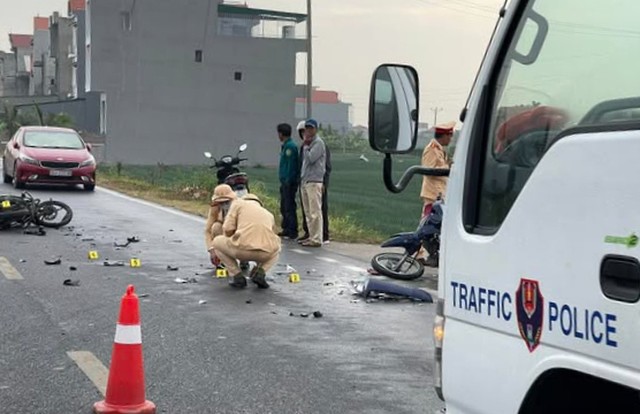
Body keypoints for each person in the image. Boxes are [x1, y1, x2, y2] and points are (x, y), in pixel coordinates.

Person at [212, 193, 281, 289]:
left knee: (216, 242)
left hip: (241, 250)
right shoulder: (269, 214)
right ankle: (261, 272)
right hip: (265, 253)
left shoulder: (238, 204)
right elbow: (272, 235)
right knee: (276, 249)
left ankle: (237, 275)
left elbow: (227, 229)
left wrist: (232, 236)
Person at [419, 121, 455, 266]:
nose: (450, 139)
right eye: (450, 136)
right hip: (433, 194)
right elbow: (429, 169)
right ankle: (417, 254)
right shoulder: (432, 149)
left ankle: (425, 254)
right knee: (426, 224)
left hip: (440, 192)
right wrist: (446, 169)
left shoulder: (439, 149)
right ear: (444, 136)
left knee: (433, 226)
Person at [295, 121, 331, 244]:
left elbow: (311, 158)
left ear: (315, 129)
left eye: (311, 129)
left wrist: (305, 145)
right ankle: (311, 235)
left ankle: (317, 238)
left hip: (314, 181)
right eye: (306, 129)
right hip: (306, 180)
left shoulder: (318, 143)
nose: (308, 131)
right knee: (308, 211)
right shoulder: (309, 143)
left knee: (315, 211)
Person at [205, 184, 238, 266]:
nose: (224, 205)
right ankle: (223, 258)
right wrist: (212, 249)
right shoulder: (215, 208)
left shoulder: (240, 207)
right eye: (221, 202)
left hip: (239, 232)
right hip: (224, 233)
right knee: (216, 227)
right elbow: (208, 230)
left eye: (227, 202)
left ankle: (244, 259)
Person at [277, 123, 299, 239]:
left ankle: (292, 229)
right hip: (284, 180)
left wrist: (288, 180)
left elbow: (291, 166)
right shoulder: (285, 146)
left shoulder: (290, 147)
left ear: (281, 133)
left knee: (289, 205)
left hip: (289, 181)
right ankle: (286, 227)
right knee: (284, 205)